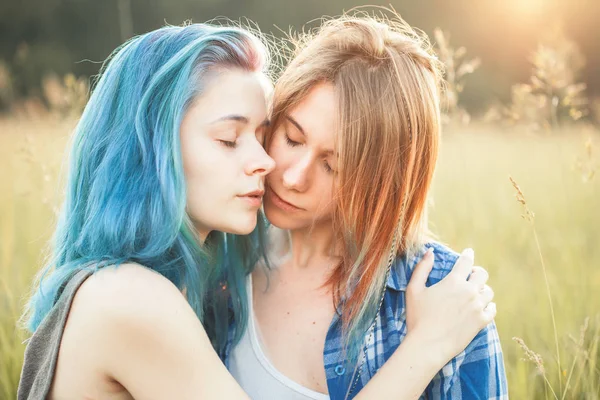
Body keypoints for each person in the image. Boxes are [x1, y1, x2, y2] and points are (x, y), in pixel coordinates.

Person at [19, 20, 500, 400]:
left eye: (334, 165)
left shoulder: (440, 294)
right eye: (287, 137)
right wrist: (426, 348)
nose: (275, 167)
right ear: (151, 149)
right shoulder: (144, 297)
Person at [227, 12, 508, 400]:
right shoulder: (223, 254)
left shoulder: (447, 298)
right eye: (292, 138)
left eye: (332, 166)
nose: (293, 177)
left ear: (381, 182)